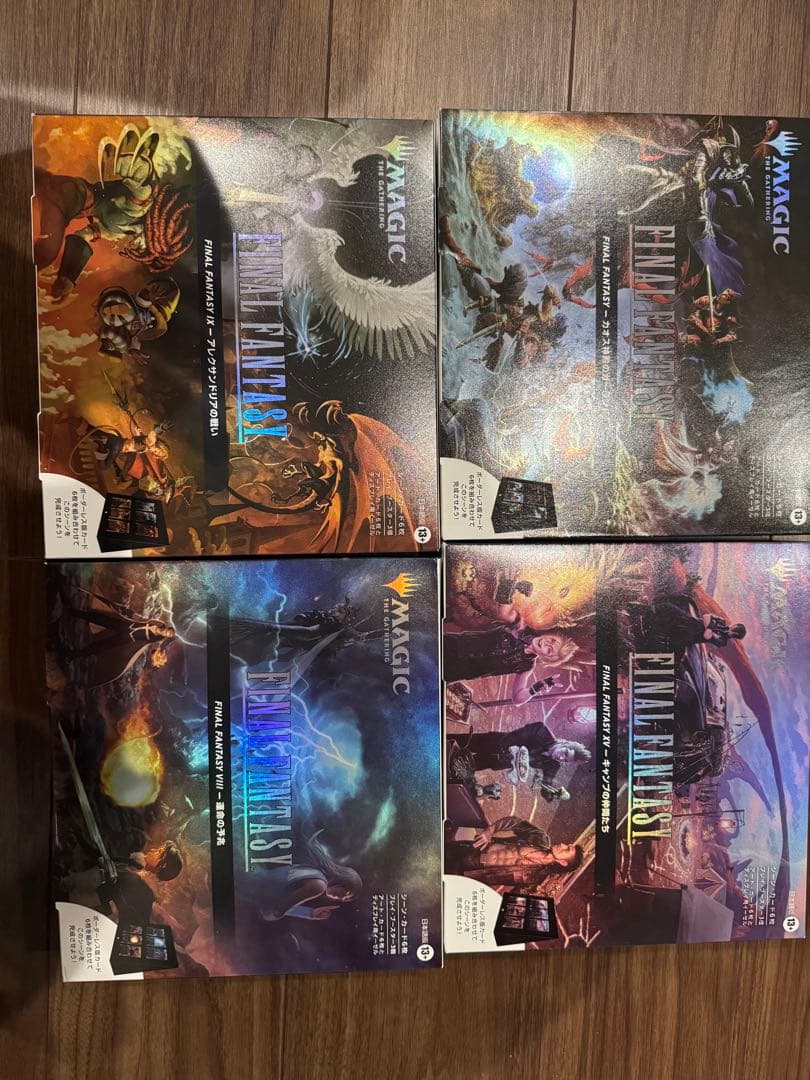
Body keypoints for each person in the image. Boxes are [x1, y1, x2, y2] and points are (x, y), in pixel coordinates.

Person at [451, 720, 591, 799]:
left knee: (459, 767)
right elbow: (513, 737)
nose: (561, 757)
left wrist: (554, 793)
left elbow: (546, 784)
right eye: (565, 753)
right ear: (565, 743)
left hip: (497, 762)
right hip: (494, 742)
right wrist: (508, 752)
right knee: (453, 743)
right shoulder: (540, 730)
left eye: (565, 760)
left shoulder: (553, 765)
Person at [445, 816, 583, 887]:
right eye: (567, 845)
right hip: (476, 849)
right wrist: (491, 830)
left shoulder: (536, 879)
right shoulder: (541, 838)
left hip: (473, 872)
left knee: (438, 876)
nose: (563, 844)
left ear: (563, 862)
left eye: (567, 849)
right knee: (441, 850)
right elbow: (515, 822)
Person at [260, 833, 362, 922]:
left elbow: (280, 902)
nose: (341, 897)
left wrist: (309, 913)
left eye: (344, 899)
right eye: (346, 893)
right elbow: (272, 912)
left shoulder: (317, 874)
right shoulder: (318, 885)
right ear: (342, 880)